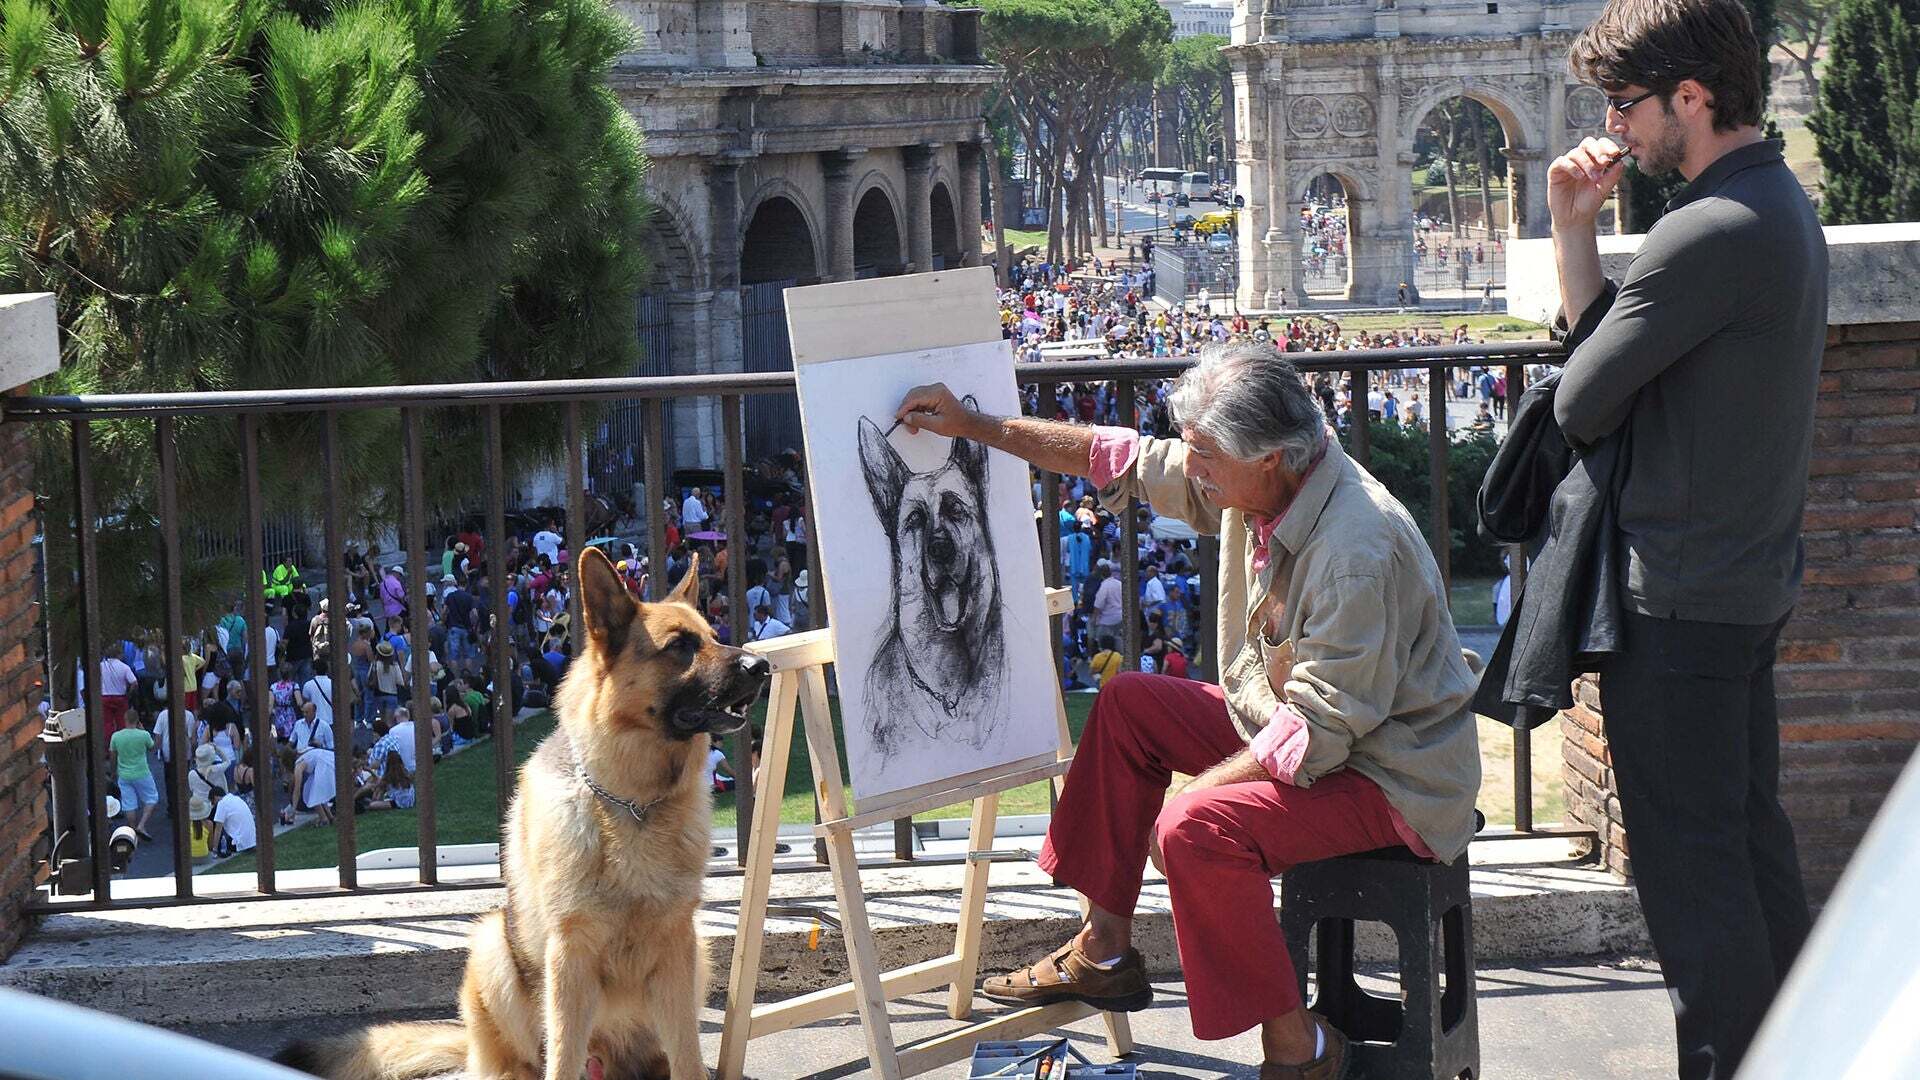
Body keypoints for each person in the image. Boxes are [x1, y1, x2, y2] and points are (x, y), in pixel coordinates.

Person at [892, 344, 1479, 1078]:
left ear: (1269, 458)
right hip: (1315, 732)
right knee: (1130, 705)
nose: (1191, 467)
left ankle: (1301, 1050)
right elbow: (1116, 458)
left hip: (1393, 777)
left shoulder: (1355, 546)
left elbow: (1319, 734)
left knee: (1192, 829)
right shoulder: (1263, 478)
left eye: (1204, 454)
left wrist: (1199, 791)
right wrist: (971, 426)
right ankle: (1103, 949)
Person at [1550, 3, 1825, 1076]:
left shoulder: (1703, 230)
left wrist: (1583, 238)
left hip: (1675, 612)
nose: (1615, 130)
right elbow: (1604, 373)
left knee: (1696, 898)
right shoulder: (1777, 205)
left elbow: (1578, 399)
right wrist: (1577, 230)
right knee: (1753, 868)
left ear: (1692, 99)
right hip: (1741, 592)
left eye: (1626, 104)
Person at [109, 709, 159, 841]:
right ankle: (141, 825)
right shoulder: (143, 735)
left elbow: (113, 756)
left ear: (125, 720)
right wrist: (143, 730)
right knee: (151, 798)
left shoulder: (116, 736)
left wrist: (113, 772)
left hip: (124, 774)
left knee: (129, 804)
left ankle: (132, 830)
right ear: (137, 721)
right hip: (142, 772)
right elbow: (152, 748)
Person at [207, 784, 257, 856]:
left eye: (212, 802)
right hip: (251, 840)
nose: (213, 805)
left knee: (219, 838)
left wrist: (214, 849)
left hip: (239, 844)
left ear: (215, 797)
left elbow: (218, 829)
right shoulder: (236, 798)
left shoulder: (222, 804)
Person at [96, 652, 138, 736]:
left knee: (107, 723)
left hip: (105, 697)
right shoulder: (124, 667)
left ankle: (109, 744)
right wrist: (129, 694)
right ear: (120, 654)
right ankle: (121, 741)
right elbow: (134, 683)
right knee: (121, 722)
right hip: (120, 697)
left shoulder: (100, 666)